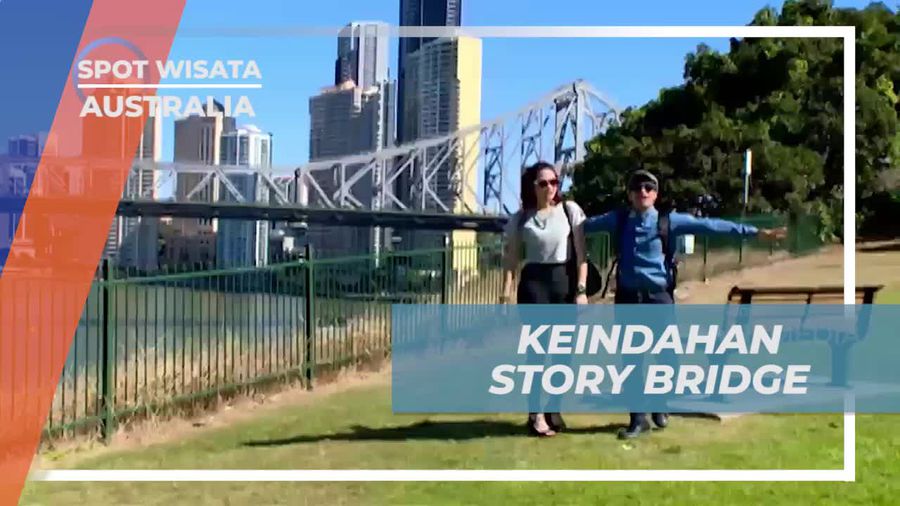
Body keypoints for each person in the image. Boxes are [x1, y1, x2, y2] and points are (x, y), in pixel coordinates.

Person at [583, 169, 787, 439]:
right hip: (629, 297)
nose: (642, 192)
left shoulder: (669, 221)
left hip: (659, 297)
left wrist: (755, 233)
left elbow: (711, 226)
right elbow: (580, 225)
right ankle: (637, 419)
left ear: (655, 194)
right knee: (631, 359)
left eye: (648, 187)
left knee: (667, 356)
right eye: (637, 188)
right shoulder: (618, 219)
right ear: (630, 194)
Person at [501, 161, 590, 437]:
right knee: (537, 355)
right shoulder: (520, 219)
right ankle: (535, 415)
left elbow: (582, 255)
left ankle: (554, 409)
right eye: (543, 183)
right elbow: (511, 260)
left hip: (562, 283)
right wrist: (504, 295)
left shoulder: (570, 210)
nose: (550, 188)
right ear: (533, 187)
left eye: (554, 182)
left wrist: (581, 290)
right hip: (534, 286)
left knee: (563, 356)